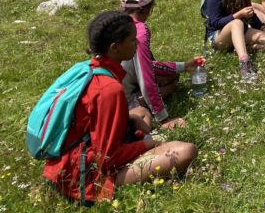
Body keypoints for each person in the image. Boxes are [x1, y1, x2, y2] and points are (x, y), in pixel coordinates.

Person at [43, 11, 197, 204]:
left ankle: (138, 134)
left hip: (66, 161)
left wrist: (129, 119)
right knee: (185, 151)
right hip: (83, 177)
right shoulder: (110, 90)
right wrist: (152, 143)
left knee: (140, 113)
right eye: (133, 40)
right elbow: (106, 159)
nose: (138, 44)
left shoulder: (91, 68)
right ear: (115, 47)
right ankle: (114, 183)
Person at [119, 0, 199, 129]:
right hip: (122, 100)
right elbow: (145, 76)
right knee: (173, 84)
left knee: (173, 76)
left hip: (114, 87)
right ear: (148, 9)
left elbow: (143, 65)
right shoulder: (139, 32)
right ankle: (137, 102)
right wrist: (163, 118)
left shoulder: (114, 24)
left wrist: (182, 67)